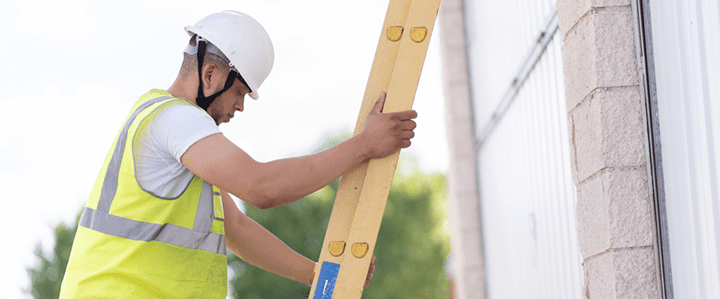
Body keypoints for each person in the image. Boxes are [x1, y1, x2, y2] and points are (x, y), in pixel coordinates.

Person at [59, 10, 417, 298]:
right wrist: (365, 145)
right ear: (211, 74)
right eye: (240, 92)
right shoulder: (177, 120)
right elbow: (263, 187)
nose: (240, 107)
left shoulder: (174, 134)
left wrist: (319, 274)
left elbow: (239, 230)